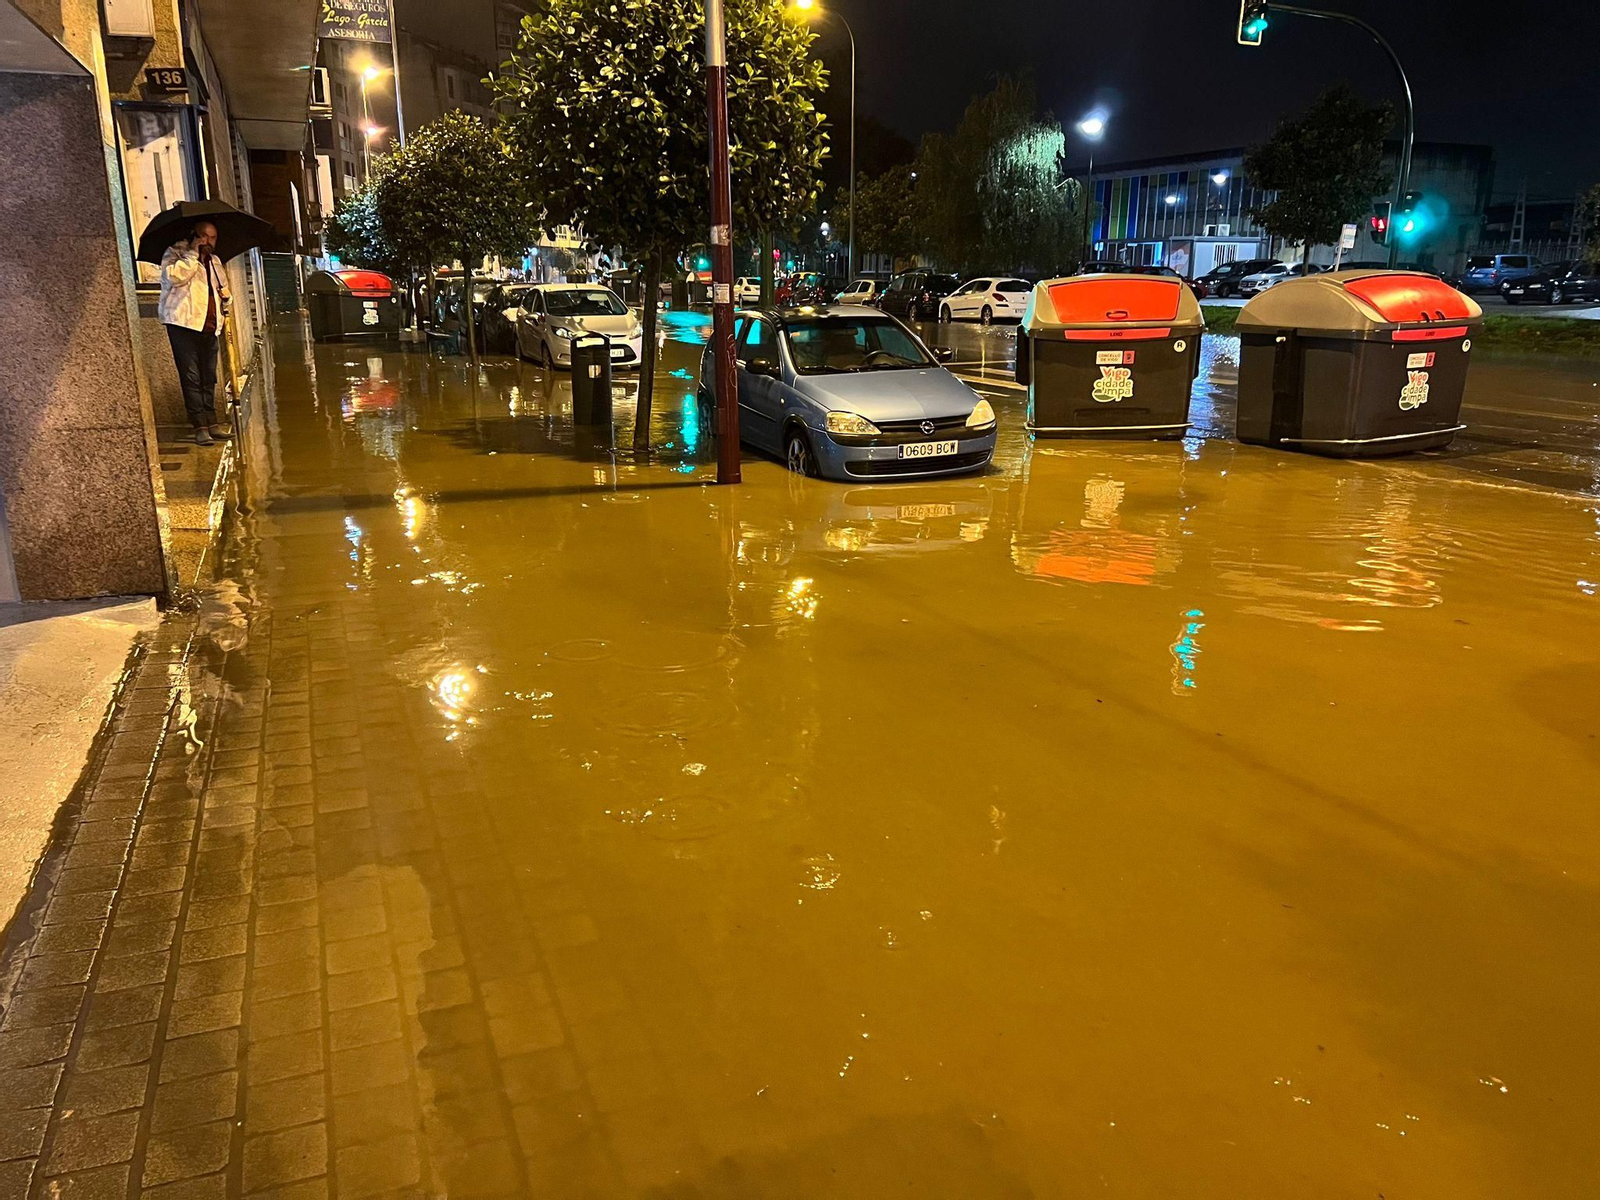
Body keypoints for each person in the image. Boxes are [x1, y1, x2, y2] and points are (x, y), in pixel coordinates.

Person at [159, 221, 234, 446]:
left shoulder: (215, 261)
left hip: (210, 326)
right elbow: (174, 278)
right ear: (194, 236)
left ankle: (212, 423)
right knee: (191, 377)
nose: (208, 242)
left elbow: (222, 289)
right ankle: (199, 426)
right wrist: (192, 254)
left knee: (208, 377)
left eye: (212, 237)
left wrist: (226, 296)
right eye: (203, 236)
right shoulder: (175, 255)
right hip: (183, 325)